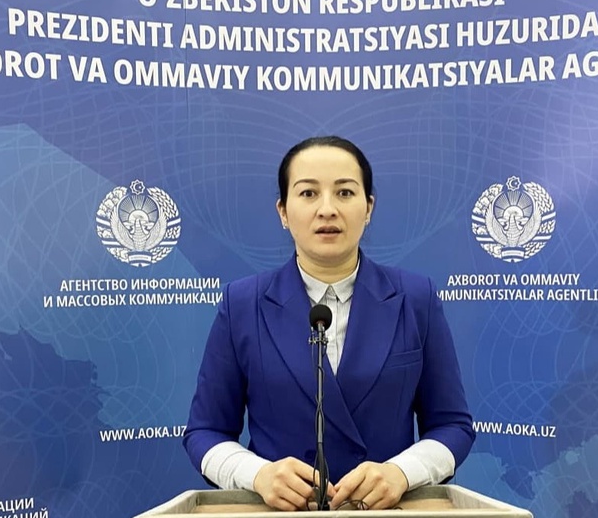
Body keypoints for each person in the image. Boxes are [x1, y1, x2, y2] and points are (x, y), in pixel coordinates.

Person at [183, 136, 474, 511]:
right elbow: (205, 431)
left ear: (368, 208)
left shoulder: (416, 299)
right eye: (308, 193)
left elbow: (452, 426)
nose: (327, 209)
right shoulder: (242, 304)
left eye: (345, 193)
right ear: (283, 211)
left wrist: (402, 472)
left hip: (385, 512)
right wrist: (257, 474)